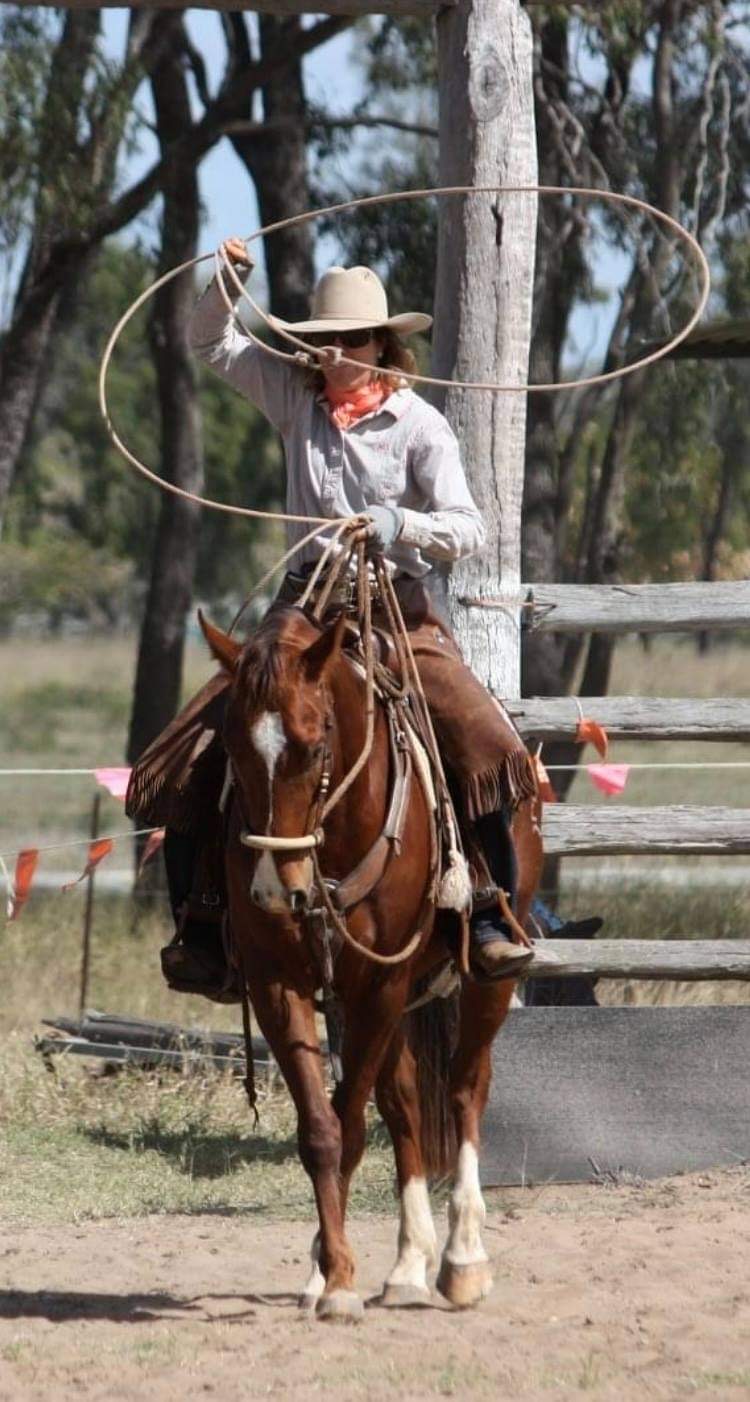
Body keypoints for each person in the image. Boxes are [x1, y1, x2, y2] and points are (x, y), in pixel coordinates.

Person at [127, 240, 538, 993]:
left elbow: (468, 527)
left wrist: (400, 524)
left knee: (482, 740)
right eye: (326, 339)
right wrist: (229, 281)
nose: (337, 351)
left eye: (352, 338)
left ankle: (487, 909)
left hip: (396, 611)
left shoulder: (421, 426)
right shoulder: (293, 396)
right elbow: (210, 343)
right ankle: (202, 919)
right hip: (302, 609)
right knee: (195, 746)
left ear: (382, 344)